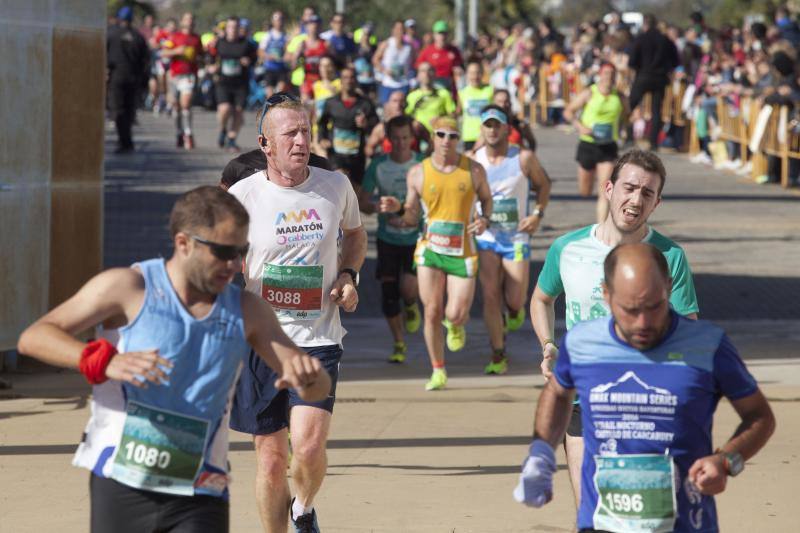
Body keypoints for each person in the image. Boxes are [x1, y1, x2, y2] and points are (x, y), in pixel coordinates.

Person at [16, 186, 331, 533]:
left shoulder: (247, 309)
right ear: (184, 243)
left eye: (241, 251)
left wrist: (311, 379)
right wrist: (102, 360)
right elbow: (35, 337)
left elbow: (314, 387)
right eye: (223, 251)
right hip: (122, 483)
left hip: (201, 491)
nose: (233, 264)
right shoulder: (129, 287)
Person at [515, 243, 776, 533]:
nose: (643, 322)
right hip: (602, 522)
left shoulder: (707, 345)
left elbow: (760, 416)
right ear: (606, 294)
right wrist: (541, 452)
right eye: (630, 309)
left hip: (686, 523)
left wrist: (727, 460)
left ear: (669, 286)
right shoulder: (581, 344)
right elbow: (558, 393)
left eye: (654, 306)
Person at [529, 149, 700, 515]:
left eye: (648, 193)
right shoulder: (568, 249)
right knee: (590, 513)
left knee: (640, 517)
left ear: (657, 202)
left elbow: (689, 333)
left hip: (645, 405)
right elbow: (542, 299)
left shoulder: (669, 257)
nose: (636, 200)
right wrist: (548, 345)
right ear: (608, 188)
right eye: (630, 188)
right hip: (582, 399)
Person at [228, 92, 367, 533]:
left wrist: (348, 275)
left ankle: (303, 508)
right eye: (289, 133)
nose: (300, 140)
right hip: (260, 343)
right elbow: (219, 262)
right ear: (265, 144)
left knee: (307, 448)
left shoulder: (335, 186)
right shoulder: (241, 195)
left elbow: (356, 235)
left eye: (305, 131)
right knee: (270, 463)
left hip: (317, 339)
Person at [380, 116, 492, 391]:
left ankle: (456, 324)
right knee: (431, 311)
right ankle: (438, 369)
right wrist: (397, 209)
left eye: (452, 136)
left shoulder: (474, 170)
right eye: (441, 134)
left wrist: (484, 219)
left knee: (454, 312)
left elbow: (487, 200)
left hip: (463, 250)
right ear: (432, 138)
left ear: (459, 140)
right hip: (430, 249)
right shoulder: (418, 172)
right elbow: (411, 215)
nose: (446, 140)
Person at [473, 106, 551, 375]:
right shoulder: (474, 160)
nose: (492, 130)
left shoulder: (523, 157)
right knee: (491, 295)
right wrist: (474, 217)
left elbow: (544, 185)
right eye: (487, 125)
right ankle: (497, 352)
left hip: (516, 236)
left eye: (497, 125)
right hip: (487, 236)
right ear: (481, 129)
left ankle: (515, 311)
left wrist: (537, 215)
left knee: (516, 299)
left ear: (507, 128)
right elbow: (464, 196)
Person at [359, 116, 424, 363]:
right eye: (395, 138)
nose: (400, 143)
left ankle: (411, 304)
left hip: (415, 238)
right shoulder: (378, 166)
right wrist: (376, 207)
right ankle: (399, 342)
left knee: (408, 288)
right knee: (388, 293)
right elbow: (363, 202)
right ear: (388, 140)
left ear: (412, 139)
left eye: (405, 138)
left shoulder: (421, 165)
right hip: (387, 239)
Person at [564, 62, 627, 223]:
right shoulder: (589, 93)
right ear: (600, 74)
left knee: (605, 190)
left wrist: (621, 130)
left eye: (612, 74)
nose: (609, 77)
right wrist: (580, 127)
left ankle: (601, 230)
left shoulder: (619, 96)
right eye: (606, 73)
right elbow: (568, 111)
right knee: (585, 191)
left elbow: (627, 115)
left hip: (608, 146)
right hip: (588, 144)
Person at [317, 67, 379, 190]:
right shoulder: (331, 102)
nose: (349, 81)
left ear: (356, 80)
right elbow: (322, 123)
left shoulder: (365, 103)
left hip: (357, 155)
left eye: (352, 77)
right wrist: (322, 139)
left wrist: (366, 124)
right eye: (345, 77)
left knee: (354, 190)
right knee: (338, 183)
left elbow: (376, 124)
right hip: (336, 153)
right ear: (340, 81)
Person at [628, 13, 679, 151]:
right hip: (660, 78)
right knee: (657, 110)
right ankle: (653, 141)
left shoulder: (640, 39)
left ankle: (628, 136)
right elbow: (675, 60)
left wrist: (639, 68)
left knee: (631, 104)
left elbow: (632, 61)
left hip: (643, 76)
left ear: (645, 24)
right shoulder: (665, 40)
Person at [106, 6, 150, 153]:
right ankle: (127, 140)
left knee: (118, 109)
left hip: (116, 77)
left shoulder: (110, 34)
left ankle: (124, 141)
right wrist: (144, 81)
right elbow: (145, 61)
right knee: (129, 110)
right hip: (133, 78)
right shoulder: (138, 37)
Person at [211, 17, 258, 152]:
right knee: (224, 109)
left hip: (240, 84)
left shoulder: (247, 44)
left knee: (238, 112)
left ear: (240, 29)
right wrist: (211, 67)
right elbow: (209, 57)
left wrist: (248, 61)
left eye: (236, 27)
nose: (233, 30)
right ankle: (222, 129)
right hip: (223, 82)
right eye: (230, 27)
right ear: (226, 29)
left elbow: (254, 59)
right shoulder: (219, 43)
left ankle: (232, 140)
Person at [162, 12, 202, 149]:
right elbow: (164, 52)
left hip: (189, 75)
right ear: (182, 22)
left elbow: (201, 55)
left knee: (185, 104)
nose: (189, 22)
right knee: (176, 106)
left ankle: (188, 133)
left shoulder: (197, 38)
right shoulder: (175, 36)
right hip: (175, 76)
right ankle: (179, 132)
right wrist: (176, 51)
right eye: (187, 19)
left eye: (191, 19)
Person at [365, 90, 431, 158]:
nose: (398, 105)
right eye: (394, 101)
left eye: (401, 101)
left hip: (412, 167)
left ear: (406, 104)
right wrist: (379, 161)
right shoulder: (381, 128)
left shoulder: (415, 125)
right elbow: (369, 148)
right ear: (388, 104)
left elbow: (432, 142)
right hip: (389, 167)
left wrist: (423, 159)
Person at [405, 63, 456, 133]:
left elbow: (453, 115)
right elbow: (407, 116)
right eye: (423, 71)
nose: (426, 74)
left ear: (434, 74)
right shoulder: (412, 96)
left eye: (430, 70)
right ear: (418, 76)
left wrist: (441, 119)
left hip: (438, 135)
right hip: (419, 136)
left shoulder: (444, 93)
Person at [374, 20, 416, 105]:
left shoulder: (409, 47)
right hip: (388, 83)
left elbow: (414, 63)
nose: (399, 31)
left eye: (402, 29)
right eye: (397, 28)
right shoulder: (386, 44)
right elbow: (375, 59)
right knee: (386, 109)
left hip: (403, 84)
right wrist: (384, 70)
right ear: (393, 30)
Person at [415, 20, 464, 93]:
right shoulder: (427, 51)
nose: (442, 36)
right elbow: (419, 67)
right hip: (433, 85)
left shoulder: (454, 50)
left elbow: (460, 67)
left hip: (450, 86)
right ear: (434, 35)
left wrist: (458, 70)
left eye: (444, 33)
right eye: (439, 33)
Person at [458, 61, 494, 151]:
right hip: (469, 136)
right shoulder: (462, 93)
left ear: (482, 74)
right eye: (472, 73)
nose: (475, 76)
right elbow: (457, 112)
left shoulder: (490, 90)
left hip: (487, 135)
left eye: (477, 73)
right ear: (467, 75)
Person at [292, 14, 328, 101]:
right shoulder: (302, 44)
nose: (314, 26)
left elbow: (334, 63)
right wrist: (297, 56)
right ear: (307, 26)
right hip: (307, 81)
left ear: (320, 26)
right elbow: (293, 66)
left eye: (317, 24)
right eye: (311, 24)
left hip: (321, 81)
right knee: (305, 105)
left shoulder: (326, 44)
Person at [258, 10, 290, 97]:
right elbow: (260, 52)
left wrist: (287, 56)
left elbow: (289, 51)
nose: (280, 22)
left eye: (281, 19)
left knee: (280, 92)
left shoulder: (286, 36)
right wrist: (268, 56)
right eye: (277, 19)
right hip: (270, 69)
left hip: (281, 69)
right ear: (273, 21)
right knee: (270, 95)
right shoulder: (268, 36)